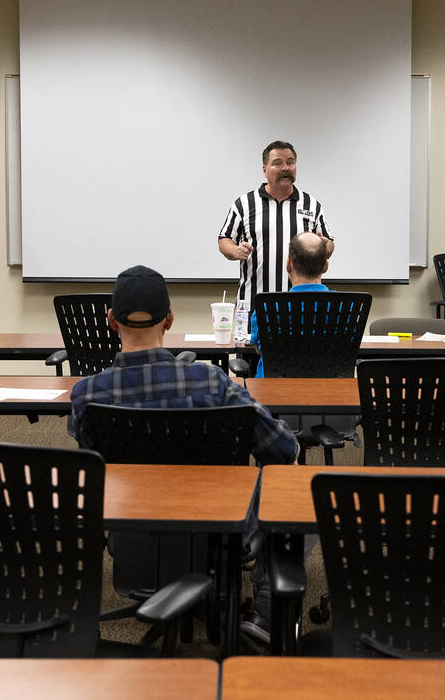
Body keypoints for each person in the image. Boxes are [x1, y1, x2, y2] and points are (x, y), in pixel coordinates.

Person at [67, 264, 299, 647]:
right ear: (170, 319)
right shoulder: (212, 381)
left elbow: (92, 464)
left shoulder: (87, 394)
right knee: (289, 485)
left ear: (111, 320)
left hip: (129, 531)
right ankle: (265, 604)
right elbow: (282, 448)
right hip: (216, 533)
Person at [218, 140, 334, 304]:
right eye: (277, 163)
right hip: (254, 304)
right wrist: (236, 250)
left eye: (290, 162)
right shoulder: (244, 204)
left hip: (300, 306)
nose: (285, 168)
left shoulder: (311, 205)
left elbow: (329, 244)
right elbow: (224, 239)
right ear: (265, 170)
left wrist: (324, 246)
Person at [248, 231, 330, 378]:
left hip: (271, 393)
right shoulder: (347, 308)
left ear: (288, 265)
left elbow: (260, 350)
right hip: (330, 394)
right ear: (325, 265)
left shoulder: (266, 308)